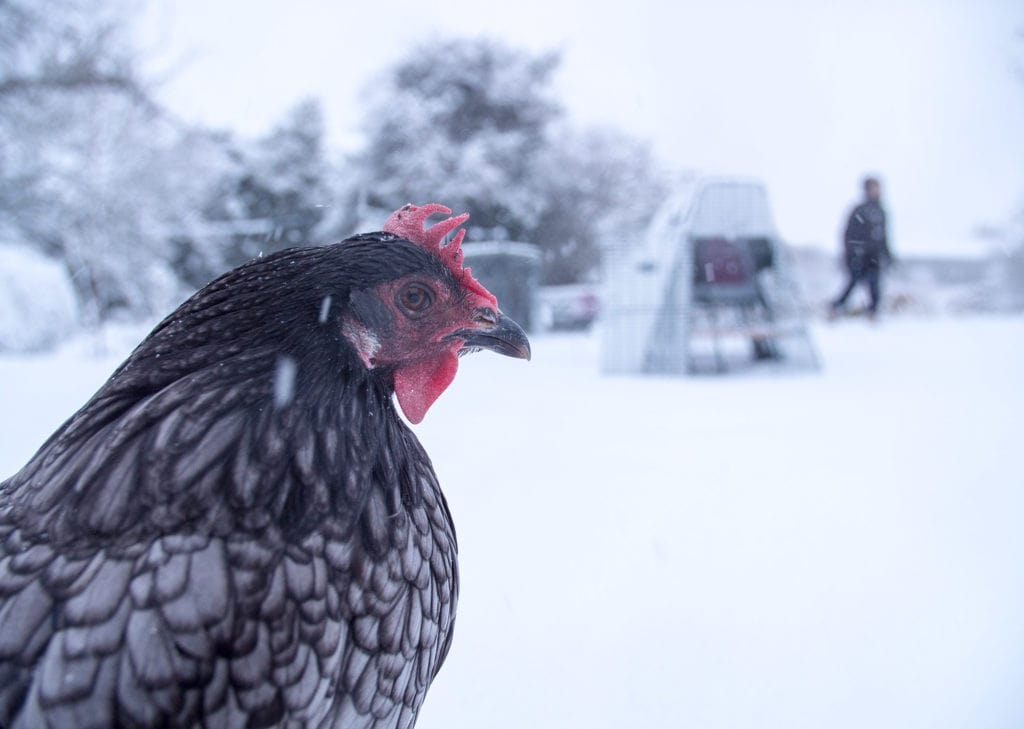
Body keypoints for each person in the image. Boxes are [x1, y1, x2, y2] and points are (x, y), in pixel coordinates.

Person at [830, 176, 893, 318]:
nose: (876, 191)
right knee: (853, 282)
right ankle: (835, 307)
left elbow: (884, 237)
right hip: (859, 256)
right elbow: (848, 234)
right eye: (873, 188)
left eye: (878, 187)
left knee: (875, 284)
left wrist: (888, 255)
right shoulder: (859, 210)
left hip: (874, 256)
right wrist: (852, 253)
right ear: (866, 190)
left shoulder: (881, 211)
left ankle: (873, 312)